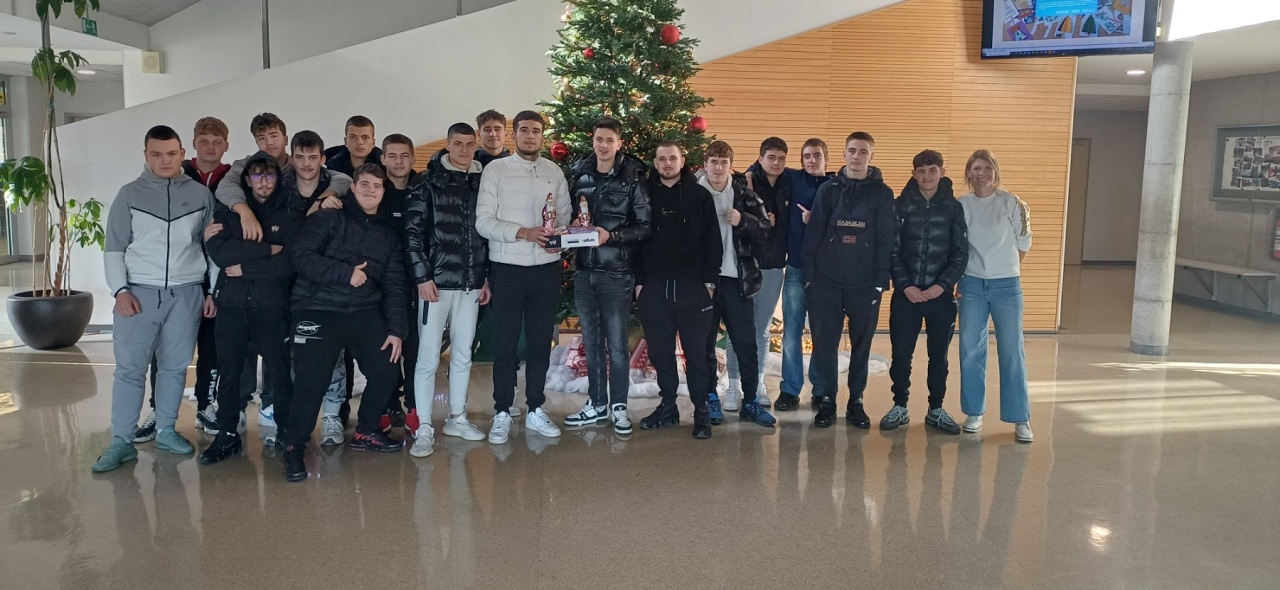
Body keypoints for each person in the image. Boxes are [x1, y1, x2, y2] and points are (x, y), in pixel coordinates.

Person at [93, 125, 214, 473]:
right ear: (146, 155)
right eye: (157, 154)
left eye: (172, 154)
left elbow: (211, 248)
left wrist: (211, 291)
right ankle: (121, 441)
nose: (165, 160)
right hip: (137, 294)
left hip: (187, 294)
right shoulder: (129, 194)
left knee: (174, 368)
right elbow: (114, 248)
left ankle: (165, 430)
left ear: (182, 154)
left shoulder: (200, 195)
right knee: (130, 370)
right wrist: (120, 291)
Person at [281, 164, 409, 482]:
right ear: (352, 188)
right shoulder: (328, 218)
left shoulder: (387, 236)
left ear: (383, 192)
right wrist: (346, 273)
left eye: (376, 186)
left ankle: (366, 430)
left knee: (386, 369)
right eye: (364, 184)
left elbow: (394, 285)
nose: (370, 190)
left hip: (363, 311)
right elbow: (300, 255)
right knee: (311, 382)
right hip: (317, 308)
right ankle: (293, 447)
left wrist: (396, 330)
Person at [199, 152, 301, 464]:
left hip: (272, 307)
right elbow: (220, 252)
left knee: (280, 374)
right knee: (229, 373)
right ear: (247, 180)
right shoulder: (229, 211)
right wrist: (268, 249)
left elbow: (291, 261)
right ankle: (227, 433)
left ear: (278, 178)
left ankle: (286, 432)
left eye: (269, 175)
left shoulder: (290, 212)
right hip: (232, 306)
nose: (264, 182)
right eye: (257, 176)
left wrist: (247, 267)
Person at [475, 110, 570, 445]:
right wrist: (524, 233)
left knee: (541, 342)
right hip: (507, 267)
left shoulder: (553, 171)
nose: (531, 136)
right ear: (513, 135)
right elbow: (483, 222)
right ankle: (503, 409)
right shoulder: (496, 170)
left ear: (543, 136)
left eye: (536, 131)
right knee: (505, 343)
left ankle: (536, 408)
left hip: (545, 268)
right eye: (524, 130)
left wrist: (559, 236)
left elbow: (565, 216)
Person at [134, 116, 231, 442]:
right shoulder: (175, 175)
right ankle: (158, 411)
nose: (210, 147)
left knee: (212, 346)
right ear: (192, 145)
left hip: (212, 278)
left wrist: (215, 288)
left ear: (226, 146)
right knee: (164, 351)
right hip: (175, 279)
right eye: (204, 141)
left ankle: (206, 405)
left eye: (217, 142)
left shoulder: (232, 178)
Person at [405, 123, 491, 457]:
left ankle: (457, 417)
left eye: (470, 144)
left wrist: (486, 277)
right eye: (458, 144)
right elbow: (412, 234)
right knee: (428, 357)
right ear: (448, 145)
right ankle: (425, 426)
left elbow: (487, 235)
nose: (465, 150)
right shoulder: (427, 183)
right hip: (436, 285)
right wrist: (422, 277)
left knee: (463, 354)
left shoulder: (483, 182)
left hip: (471, 284)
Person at [562, 117, 651, 435]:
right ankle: (597, 404)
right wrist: (572, 226)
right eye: (599, 139)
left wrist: (610, 237)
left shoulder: (633, 179)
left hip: (617, 274)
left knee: (616, 345)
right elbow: (570, 217)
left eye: (609, 140)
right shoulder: (580, 176)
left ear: (619, 143)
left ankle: (619, 407)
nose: (603, 145)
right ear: (593, 141)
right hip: (585, 273)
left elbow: (645, 227)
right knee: (593, 343)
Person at [802, 131, 896, 430]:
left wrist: (879, 282)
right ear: (844, 154)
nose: (857, 157)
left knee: (861, 346)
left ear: (871, 156)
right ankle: (827, 400)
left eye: (863, 151)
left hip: (864, 286)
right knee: (825, 346)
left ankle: (856, 401)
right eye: (852, 151)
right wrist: (809, 278)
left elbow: (886, 240)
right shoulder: (828, 190)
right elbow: (814, 234)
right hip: (825, 284)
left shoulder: (882, 194)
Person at [635, 141, 721, 439]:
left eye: (673, 158)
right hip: (654, 288)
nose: (667, 164)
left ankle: (701, 410)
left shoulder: (700, 195)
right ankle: (668, 406)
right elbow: (637, 240)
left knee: (697, 354)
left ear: (682, 162)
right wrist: (639, 283)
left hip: (693, 287)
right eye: (662, 159)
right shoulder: (644, 195)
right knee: (660, 353)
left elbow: (713, 241)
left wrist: (709, 282)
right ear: (655, 162)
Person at [883, 149, 968, 435]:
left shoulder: (953, 208)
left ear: (942, 173)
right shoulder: (900, 206)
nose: (927, 176)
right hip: (906, 295)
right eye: (921, 171)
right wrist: (906, 286)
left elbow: (960, 253)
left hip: (940, 297)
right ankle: (900, 406)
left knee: (938, 357)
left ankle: (936, 409)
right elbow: (892, 250)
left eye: (932, 170)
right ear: (914, 174)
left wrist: (940, 286)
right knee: (901, 355)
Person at [956, 149, 1034, 443]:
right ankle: (974, 412)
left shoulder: (1012, 202)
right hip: (972, 286)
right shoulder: (961, 205)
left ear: (995, 171)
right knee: (970, 350)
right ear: (969, 172)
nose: (982, 174)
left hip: (1006, 287)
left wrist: (1005, 270)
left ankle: (1020, 418)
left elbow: (1024, 242)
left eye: (987, 168)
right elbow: (957, 245)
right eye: (976, 168)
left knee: (1012, 351)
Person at [697, 141, 775, 427]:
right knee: (704, 345)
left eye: (723, 162)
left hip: (737, 281)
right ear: (705, 165)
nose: (718, 168)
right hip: (703, 283)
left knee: (745, 344)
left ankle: (750, 401)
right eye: (713, 162)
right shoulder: (692, 194)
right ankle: (709, 398)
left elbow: (766, 231)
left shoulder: (745, 196)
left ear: (731, 166)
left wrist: (743, 220)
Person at [768, 138, 833, 411]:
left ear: (826, 159)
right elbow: (762, 166)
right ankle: (790, 389)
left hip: (824, 274)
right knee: (791, 334)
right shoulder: (794, 179)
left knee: (821, 334)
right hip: (795, 268)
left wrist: (816, 221)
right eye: (807, 156)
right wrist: (747, 175)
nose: (812, 160)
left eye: (817, 155)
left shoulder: (836, 186)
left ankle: (820, 390)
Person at [729, 137, 790, 409]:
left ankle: (758, 383)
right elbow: (733, 219)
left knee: (762, 331)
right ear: (761, 157)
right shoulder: (743, 182)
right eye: (771, 157)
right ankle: (733, 385)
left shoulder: (789, 182)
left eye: (781, 158)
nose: (776, 163)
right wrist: (759, 219)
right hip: (745, 265)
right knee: (739, 329)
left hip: (774, 266)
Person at [378, 133, 422, 431]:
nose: (398, 161)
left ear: (412, 158)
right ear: (383, 159)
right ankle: (388, 403)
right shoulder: (375, 189)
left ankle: (414, 407)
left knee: (415, 350)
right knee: (387, 349)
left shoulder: (423, 189)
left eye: (404, 155)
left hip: (417, 282)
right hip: (381, 285)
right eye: (392, 156)